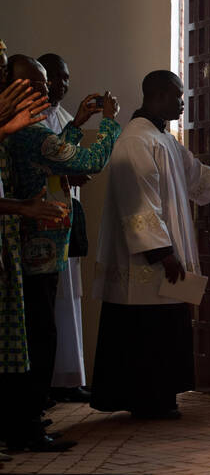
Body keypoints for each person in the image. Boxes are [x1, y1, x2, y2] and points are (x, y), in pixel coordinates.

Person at [91, 70, 210, 419]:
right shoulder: (134, 140)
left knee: (163, 328)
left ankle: (160, 396)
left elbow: (193, 174)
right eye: (178, 96)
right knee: (143, 332)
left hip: (161, 256)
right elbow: (137, 201)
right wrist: (162, 253)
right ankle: (144, 400)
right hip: (144, 261)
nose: (182, 103)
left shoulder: (162, 138)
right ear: (156, 95)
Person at [2, 54, 120, 451]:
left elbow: (52, 159)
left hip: (32, 246)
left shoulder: (19, 133)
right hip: (38, 249)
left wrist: (75, 124)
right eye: (35, 84)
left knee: (34, 332)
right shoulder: (30, 134)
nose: (45, 90)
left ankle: (25, 415)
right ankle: (27, 424)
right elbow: (91, 160)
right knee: (39, 335)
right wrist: (109, 121)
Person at [36, 53, 90, 403]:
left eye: (66, 77)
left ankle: (68, 378)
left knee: (68, 300)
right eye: (55, 77)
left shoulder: (66, 118)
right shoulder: (31, 121)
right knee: (43, 306)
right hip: (40, 224)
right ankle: (43, 385)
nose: (62, 84)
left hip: (66, 218)